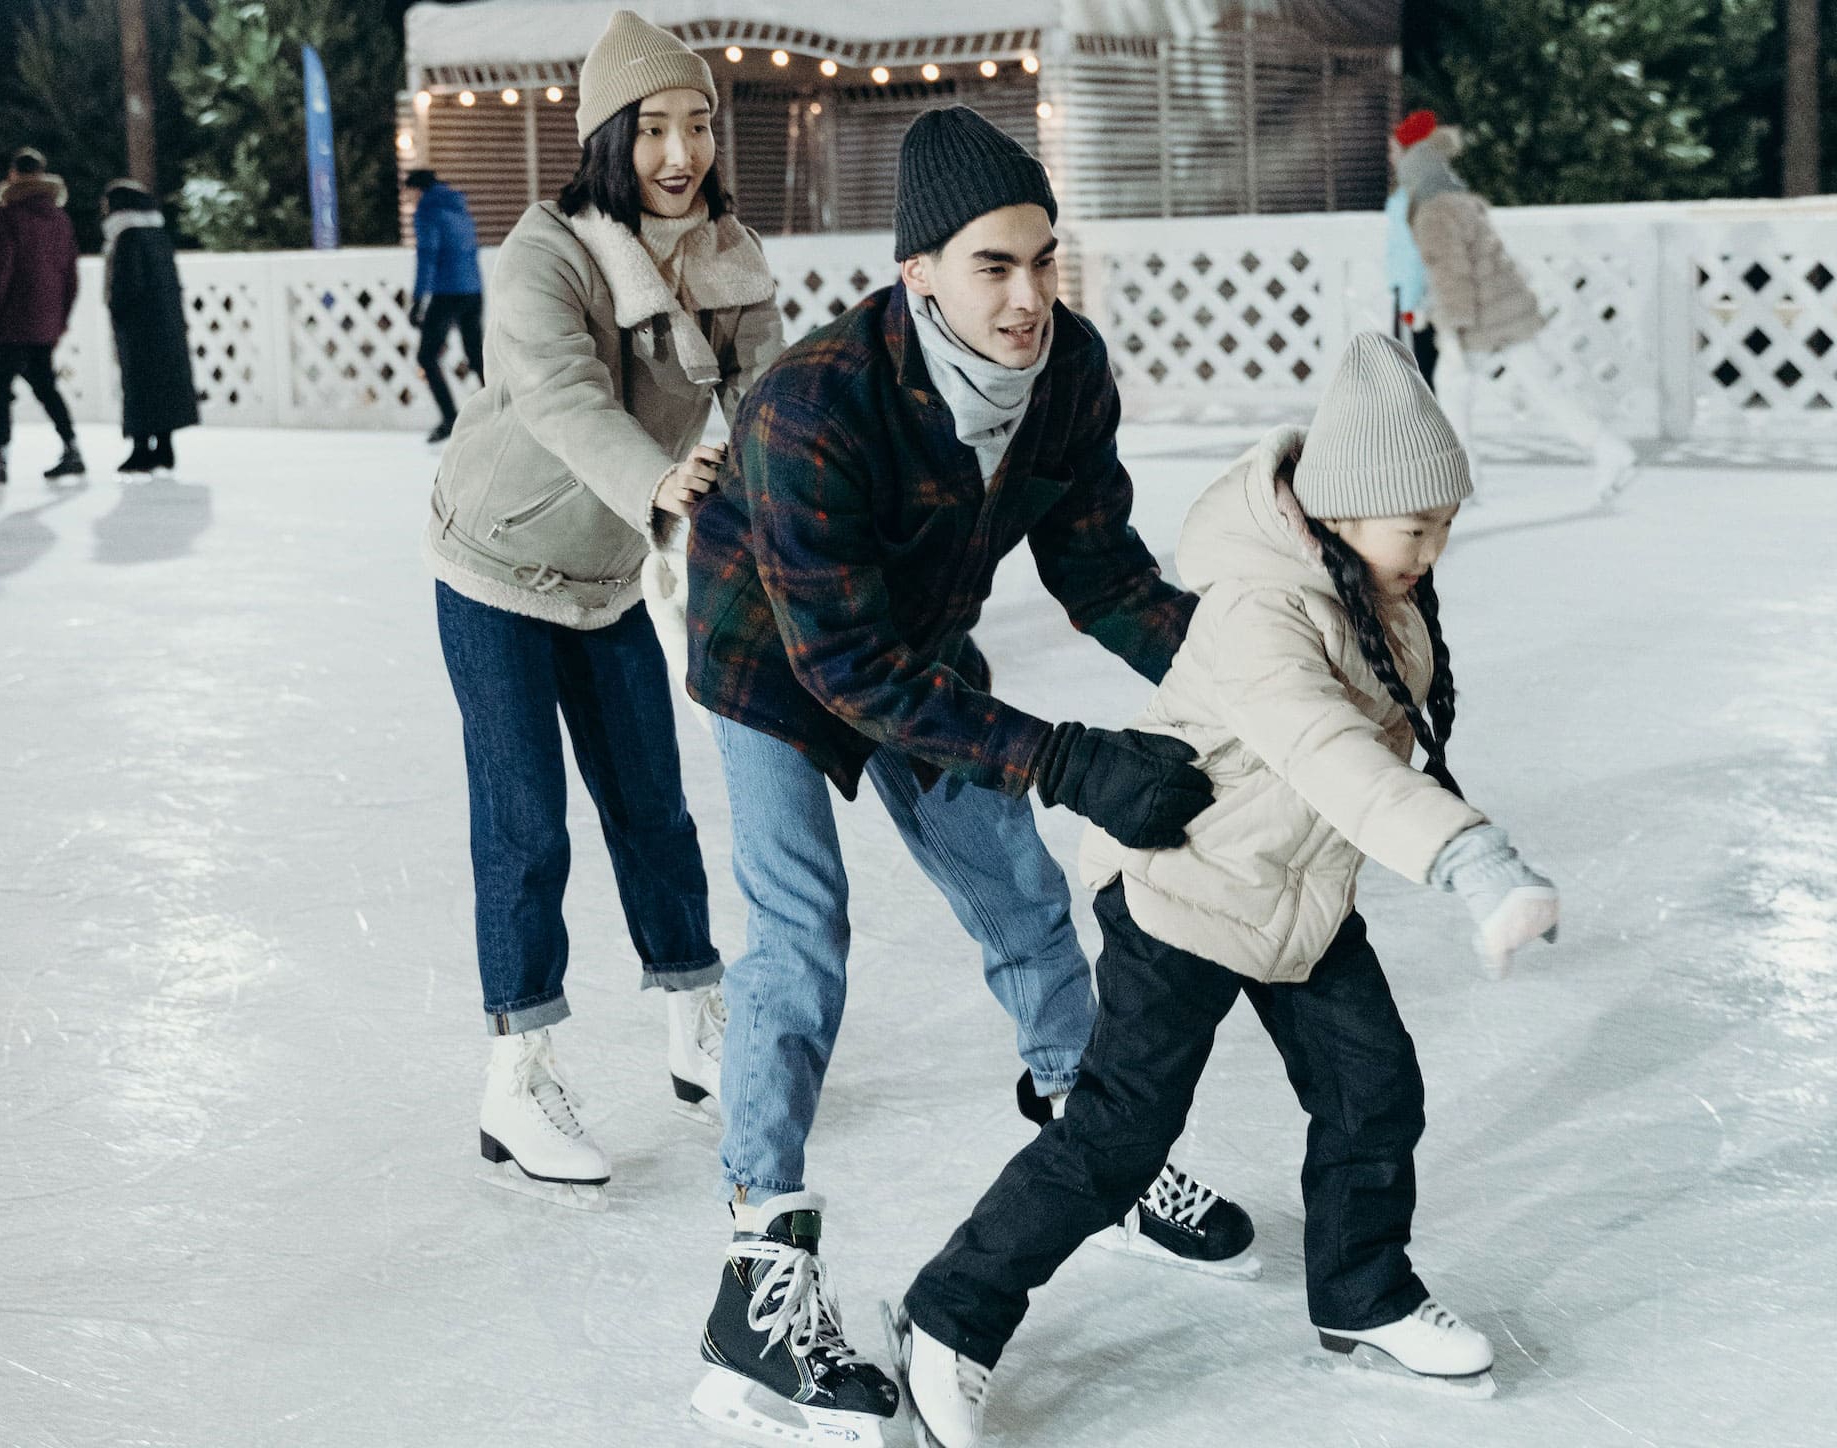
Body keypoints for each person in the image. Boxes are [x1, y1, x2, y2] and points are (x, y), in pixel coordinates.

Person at [683, 106, 1252, 1448]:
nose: (1028, 295)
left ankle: (1092, 1141)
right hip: (771, 655)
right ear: (918, 272)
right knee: (796, 942)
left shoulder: (1066, 371)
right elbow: (846, 671)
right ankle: (760, 1273)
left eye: (1044, 260)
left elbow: (1100, 567)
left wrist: (1246, 674)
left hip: (914, 648)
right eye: (994, 265)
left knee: (1023, 902)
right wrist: (1060, 758)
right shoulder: (815, 406)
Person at [889, 334, 1563, 1448]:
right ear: (1343, 511)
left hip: (1294, 896)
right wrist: (1470, 858)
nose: (1435, 549)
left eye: (1447, 524)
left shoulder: (1376, 586)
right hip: (1188, 890)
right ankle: (947, 1318)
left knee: (1372, 1089)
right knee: (1118, 1135)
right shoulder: (1263, 607)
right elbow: (1333, 751)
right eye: (1418, 527)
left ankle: (1363, 1293)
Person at [425, 11, 782, 1209]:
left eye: (699, 125)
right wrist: (658, 479)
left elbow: (773, 396)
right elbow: (568, 396)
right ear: (609, 135)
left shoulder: (728, 254)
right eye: (656, 129)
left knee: (652, 802)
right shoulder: (546, 253)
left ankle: (694, 1021)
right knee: (525, 820)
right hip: (495, 563)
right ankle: (515, 1074)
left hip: (606, 575)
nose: (679, 152)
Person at [1394, 110, 1634, 499]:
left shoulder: (1434, 213)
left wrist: (1451, 331)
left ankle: (1461, 475)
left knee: (1453, 387)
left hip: (1484, 319)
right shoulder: (1461, 202)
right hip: (1508, 309)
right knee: (1540, 386)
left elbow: (1451, 275)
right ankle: (1608, 449)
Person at [0, 148, 83, 487]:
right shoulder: (60, 219)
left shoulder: (8, 215)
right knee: (45, 385)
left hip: (12, 321)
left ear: (14, 175)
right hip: (46, 321)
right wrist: (61, 318)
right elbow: (70, 274)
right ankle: (71, 447)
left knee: (0, 389)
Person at [101, 181, 199, 475]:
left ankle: (141, 449)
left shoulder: (127, 237)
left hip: (139, 329)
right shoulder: (158, 236)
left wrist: (117, 311)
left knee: (139, 387)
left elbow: (126, 286)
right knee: (164, 387)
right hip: (166, 324)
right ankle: (165, 448)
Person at [406, 169, 486, 444]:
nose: (410, 200)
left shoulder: (428, 211)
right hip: (473, 290)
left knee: (426, 356)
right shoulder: (459, 208)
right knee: (476, 354)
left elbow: (427, 256)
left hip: (447, 292)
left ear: (418, 190)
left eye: (410, 194)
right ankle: (508, 411)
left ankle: (450, 418)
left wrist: (418, 300)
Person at [1386, 111, 1439, 391]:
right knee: (1422, 370)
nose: (1390, 157)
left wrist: (1409, 303)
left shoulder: (1413, 198)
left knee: (1417, 372)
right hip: (1415, 294)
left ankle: (1421, 430)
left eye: (1395, 150)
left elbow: (1412, 255)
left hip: (1416, 296)